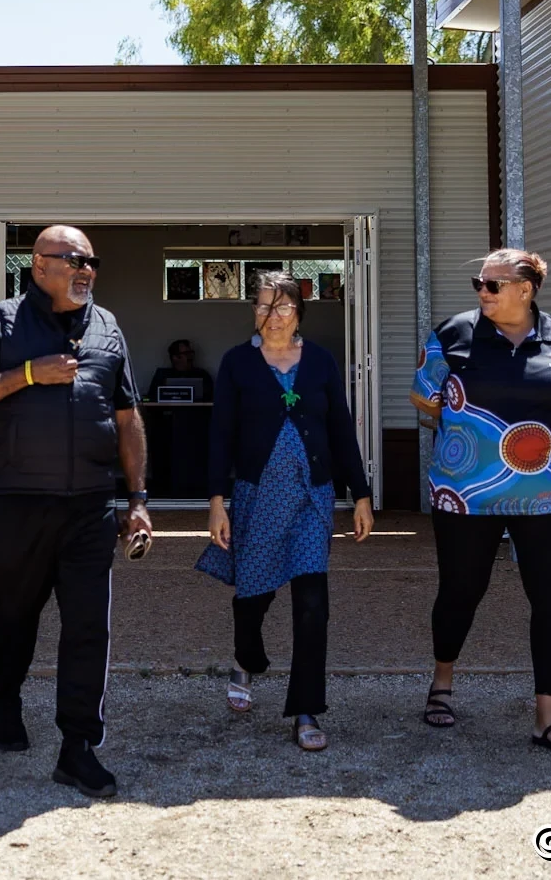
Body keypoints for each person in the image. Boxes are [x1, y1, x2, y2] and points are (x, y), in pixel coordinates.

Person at [0, 225, 153, 799]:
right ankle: (5, 698)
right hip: (19, 504)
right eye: (74, 260)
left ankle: (78, 748)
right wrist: (29, 374)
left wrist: (136, 500)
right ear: (40, 265)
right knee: (12, 617)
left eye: (92, 261)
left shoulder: (108, 328)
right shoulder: (1, 323)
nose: (86, 270)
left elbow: (128, 417)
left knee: (90, 627)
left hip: (89, 506)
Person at [410, 247, 551, 758]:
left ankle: (548, 720)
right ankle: (441, 685)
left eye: (492, 284)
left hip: (549, 492)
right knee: (461, 591)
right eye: (479, 283)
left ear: (525, 289)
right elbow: (424, 397)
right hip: (467, 492)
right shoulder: (453, 333)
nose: (482, 292)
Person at [198, 271, 373, 751]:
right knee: (253, 595)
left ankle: (306, 709)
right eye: (261, 306)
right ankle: (246, 657)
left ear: (298, 313)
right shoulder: (238, 363)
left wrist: (360, 493)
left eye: (280, 307)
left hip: (312, 496)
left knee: (313, 602)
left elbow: (340, 428)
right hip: (257, 496)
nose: (270, 316)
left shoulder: (319, 362)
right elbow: (220, 436)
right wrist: (217, 501)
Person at [146, 339, 215, 403]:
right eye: (187, 353)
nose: (190, 357)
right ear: (175, 357)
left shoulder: (202, 375)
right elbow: (150, 399)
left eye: (191, 353)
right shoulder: (162, 375)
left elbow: (210, 399)